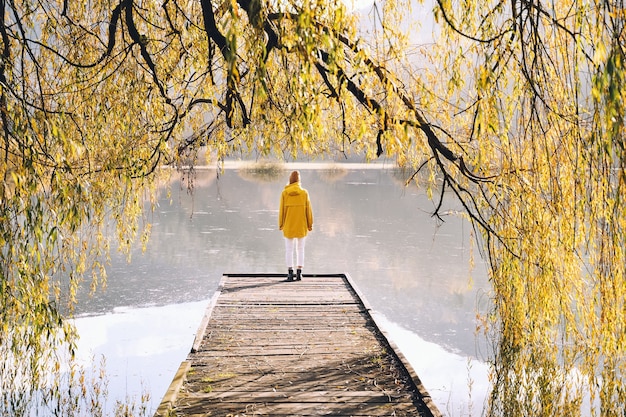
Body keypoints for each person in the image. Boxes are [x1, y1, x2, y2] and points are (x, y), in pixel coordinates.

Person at [279, 170, 313, 281]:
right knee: (300, 249)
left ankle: (290, 272)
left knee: (289, 249)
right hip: (301, 225)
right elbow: (308, 210)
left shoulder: (284, 193)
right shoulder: (304, 193)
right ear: (299, 180)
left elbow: (281, 210)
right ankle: (299, 273)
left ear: (290, 180)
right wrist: (310, 224)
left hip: (288, 224)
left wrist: (281, 224)